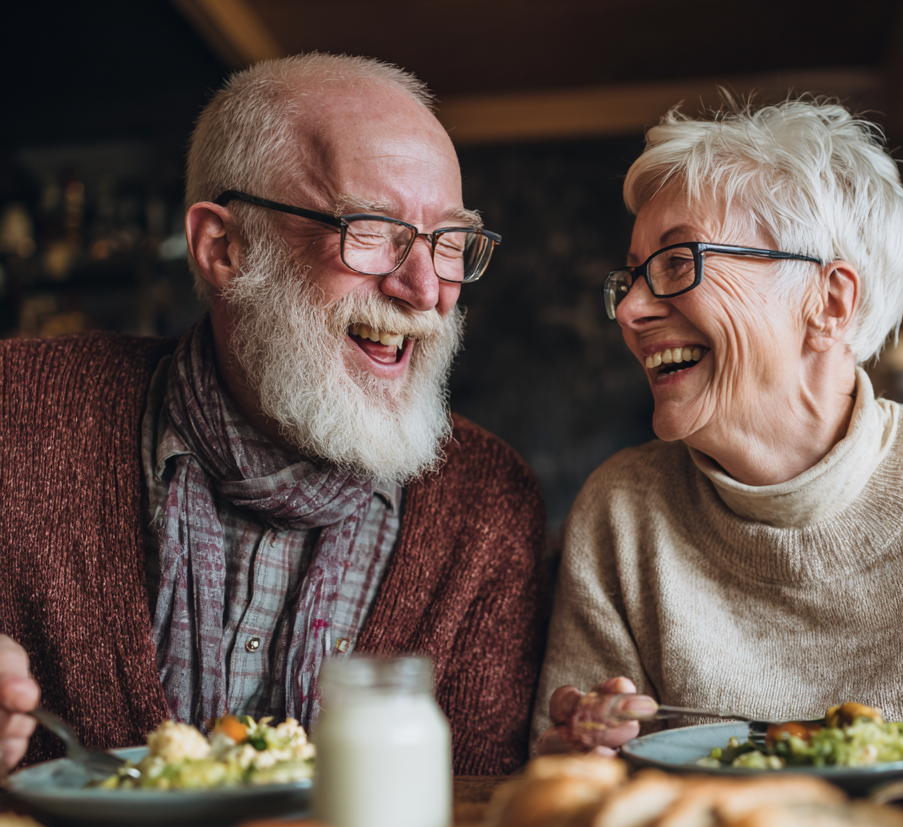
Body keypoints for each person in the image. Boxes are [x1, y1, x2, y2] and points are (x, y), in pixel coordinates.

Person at [0, 53, 547, 774]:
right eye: (373, 229)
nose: (424, 289)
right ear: (223, 249)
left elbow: (472, 817)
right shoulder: (15, 417)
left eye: (449, 241)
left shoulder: (488, 504)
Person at [535, 98, 903, 755]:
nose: (629, 310)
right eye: (631, 278)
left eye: (679, 263)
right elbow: (574, 792)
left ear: (829, 302)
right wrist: (579, 753)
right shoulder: (623, 514)